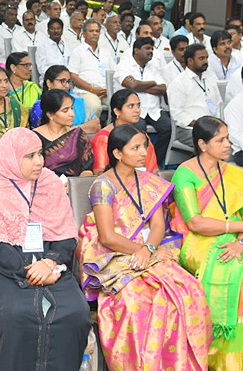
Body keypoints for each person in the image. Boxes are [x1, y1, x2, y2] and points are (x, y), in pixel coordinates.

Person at [77, 124, 211, 370]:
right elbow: (107, 236)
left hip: (149, 250)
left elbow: (158, 225)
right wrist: (139, 250)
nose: (143, 153)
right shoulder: (103, 186)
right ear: (117, 153)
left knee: (190, 290)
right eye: (135, 148)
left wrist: (147, 248)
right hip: (115, 255)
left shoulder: (150, 181)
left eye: (144, 147)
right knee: (139, 302)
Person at [0, 128, 91, 371]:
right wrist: (30, 273)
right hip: (0, 266)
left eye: (40, 154)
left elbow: (65, 236)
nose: (39, 162)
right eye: (29, 156)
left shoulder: (50, 182)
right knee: (10, 315)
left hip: (49, 262)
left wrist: (50, 263)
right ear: (11, 156)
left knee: (75, 312)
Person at [170, 117, 243, 370]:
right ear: (202, 144)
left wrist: (240, 241)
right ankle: (222, 358)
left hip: (236, 237)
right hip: (199, 243)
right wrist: (237, 229)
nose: (227, 145)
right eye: (220, 140)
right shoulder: (185, 174)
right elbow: (196, 223)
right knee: (234, 269)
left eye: (227, 138)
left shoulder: (232, 171)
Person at [114, 37, 172, 164]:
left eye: (152, 48)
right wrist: (152, 83)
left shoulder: (154, 67)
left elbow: (163, 88)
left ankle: (154, 160)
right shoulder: (124, 66)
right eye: (147, 48)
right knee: (138, 128)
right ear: (136, 50)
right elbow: (132, 86)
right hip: (131, 110)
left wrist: (140, 86)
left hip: (153, 109)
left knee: (168, 127)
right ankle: (137, 162)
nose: (150, 51)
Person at [91, 88, 159, 174]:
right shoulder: (104, 138)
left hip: (145, 182)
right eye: (131, 106)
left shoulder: (142, 135)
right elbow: (100, 173)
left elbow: (153, 169)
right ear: (117, 111)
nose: (137, 110)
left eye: (138, 105)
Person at [168, 43, 223, 147]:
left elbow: (218, 105)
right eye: (201, 58)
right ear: (190, 61)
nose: (206, 61)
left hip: (212, 128)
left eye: (206, 58)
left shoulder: (210, 79)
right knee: (213, 144)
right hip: (188, 129)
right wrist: (201, 125)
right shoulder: (178, 83)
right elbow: (177, 114)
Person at [33, 89, 94, 176]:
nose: (72, 114)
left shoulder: (78, 135)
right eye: (65, 110)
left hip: (75, 186)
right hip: (45, 185)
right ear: (50, 115)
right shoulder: (34, 137)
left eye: (72, 108)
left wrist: (76, 184)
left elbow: (87, 168)